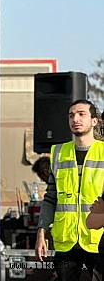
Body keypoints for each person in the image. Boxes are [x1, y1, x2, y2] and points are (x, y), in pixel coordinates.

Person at [36, 100, 104, 280]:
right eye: (71, 115)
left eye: (82, 114)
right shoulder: (58, 153)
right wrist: (41, 232)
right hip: (66, 242)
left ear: (94, 121)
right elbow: (51, 198)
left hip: (98, 240)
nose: (75, 119)